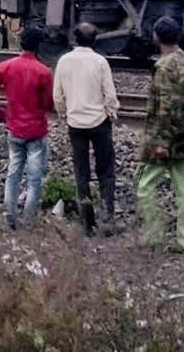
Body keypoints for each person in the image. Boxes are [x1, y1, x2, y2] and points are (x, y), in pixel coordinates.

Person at [135, 17, 184, 253]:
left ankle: (153, 235)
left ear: (156, 37)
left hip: (166, 140)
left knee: (144, 186)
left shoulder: (164, 66)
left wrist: (161, 142)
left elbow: (166, 106)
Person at [53, 22, 120, 236]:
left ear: (75, 39)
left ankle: (87, 222)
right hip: (99, 122)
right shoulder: (100, 62)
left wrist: (64, 114)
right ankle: (107, 216)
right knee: (106, 170)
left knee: (81, 172)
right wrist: (111, 112)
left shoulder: (63, 61)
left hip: (75, 124)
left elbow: (57, 95)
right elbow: (109, 94)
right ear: (95, 40)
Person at [0, 26, 53, 229]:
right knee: (34, 177)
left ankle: (9, 215)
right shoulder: (44, 71)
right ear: (38, 46)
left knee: (13, 172)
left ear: (21, 43)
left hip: (14, 128)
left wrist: (1, 115)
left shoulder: (6, 66)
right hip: (36, 129)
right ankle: (29, 219)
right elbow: (48, 104)